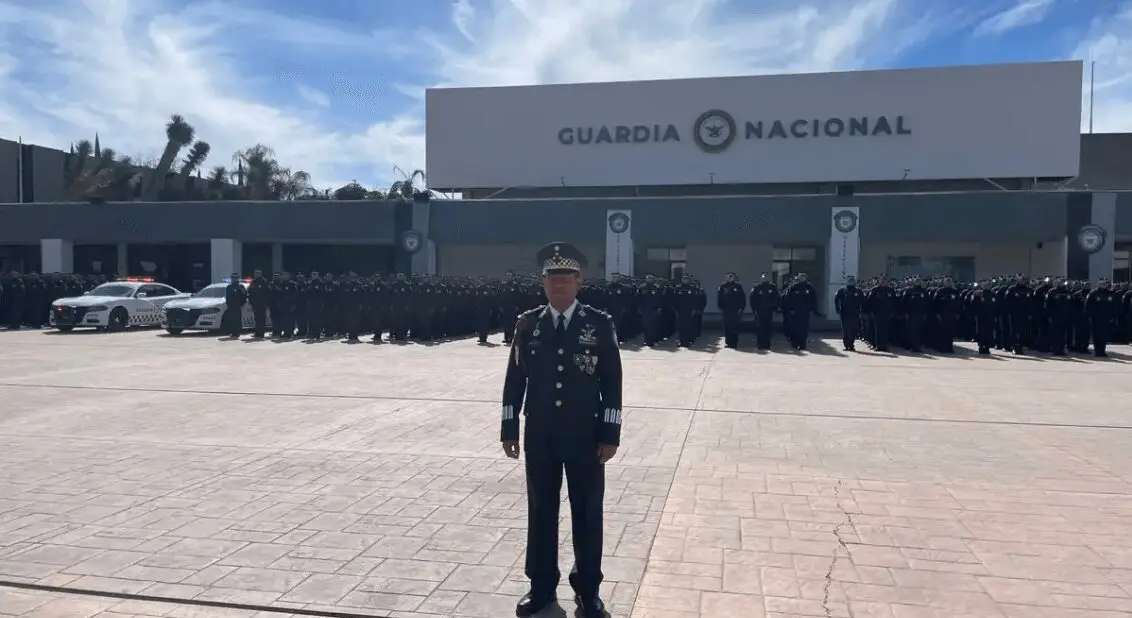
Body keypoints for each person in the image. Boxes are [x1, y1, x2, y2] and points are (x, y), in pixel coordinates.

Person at [500, 242, 621, 618]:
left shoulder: (598, 324)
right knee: (541, 510)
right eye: (552, 278)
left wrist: (610, 433)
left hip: (585, 436)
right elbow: (514, 378)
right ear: (543, 283)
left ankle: (588, 590)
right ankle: (540, 587)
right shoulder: (527, 323)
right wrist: (508, 426)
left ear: (578, 282)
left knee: (587, 511)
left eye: (566, 278)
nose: (559, 285)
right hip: (540, 435)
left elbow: (612, 381)